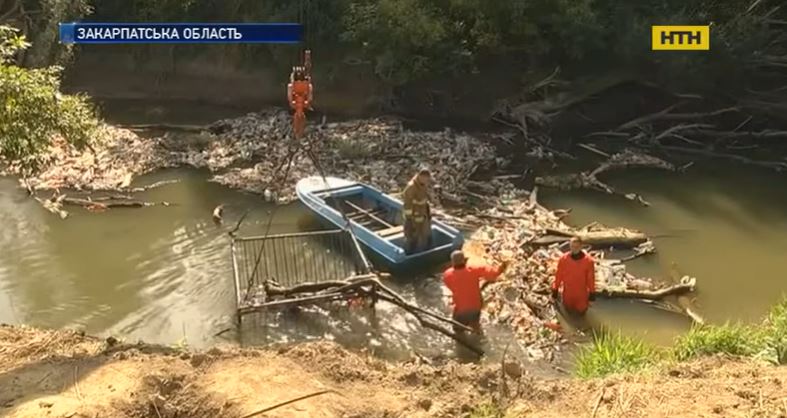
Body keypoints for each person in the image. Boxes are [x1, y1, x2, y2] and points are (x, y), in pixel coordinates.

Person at [443, 250, 509, 334]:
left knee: (458, 330)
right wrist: (501, 268)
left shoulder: (447, 275)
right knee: (475, 326)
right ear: (464, 260)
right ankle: (479, 335)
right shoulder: (473, 270)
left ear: (452, 262)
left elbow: (450, 286)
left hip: (461, 308)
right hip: (476, 306)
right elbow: (493, 275)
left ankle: (463, 344)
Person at [552, 236, 596, 316]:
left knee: (581, 315)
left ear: (581, 247)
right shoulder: (563, 259)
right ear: (569, 246)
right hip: (568, 294)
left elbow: (591, 279)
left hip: (581, 295)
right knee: (568, 313)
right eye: (572, 246)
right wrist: (555, 289)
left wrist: (592, 295)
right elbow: (559, 275)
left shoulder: (588, 261)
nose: (574, 249)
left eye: (577, 247)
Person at [402, 168, 433, 254]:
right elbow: (407, 204)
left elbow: (424, 200)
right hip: (413, 218)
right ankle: (408, 253)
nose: (427, 181)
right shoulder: (411, 187)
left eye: (428, 179)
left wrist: (428, 211)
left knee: (426, 234)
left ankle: (426, 252)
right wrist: (408, 219)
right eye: (425, 178)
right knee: (412, 237)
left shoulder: (423, 184)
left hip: (422, 215)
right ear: (420, 176)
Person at [287, 66, 313, 139]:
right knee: (299, 117)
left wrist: (307, 101)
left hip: (300, 103)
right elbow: (290, 96)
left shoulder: (307, 85)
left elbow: (310, 96)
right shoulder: (292, 85)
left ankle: (299, 133)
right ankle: (297, 133)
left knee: (300, 117)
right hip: (299, 103)